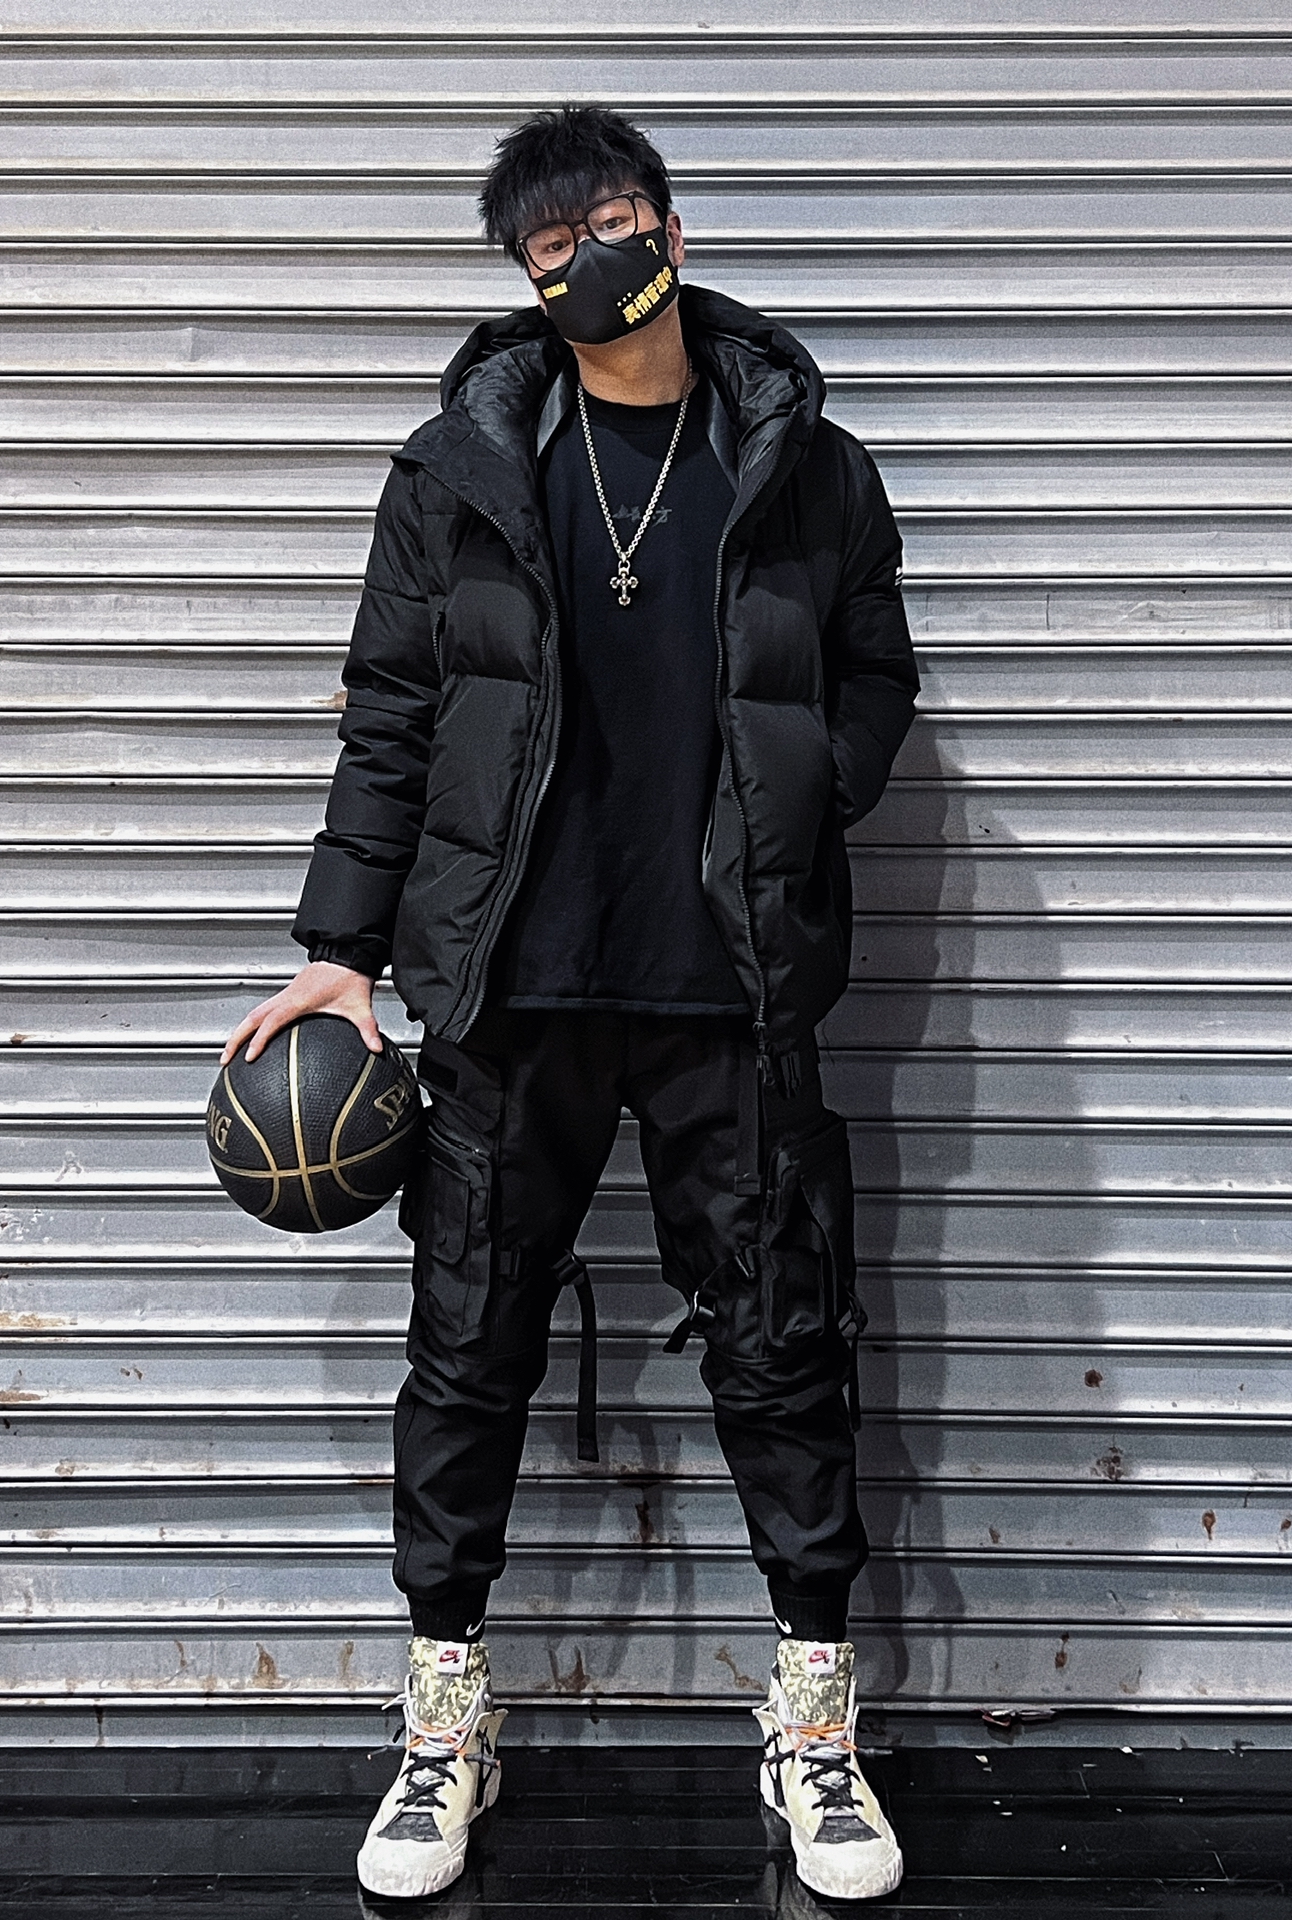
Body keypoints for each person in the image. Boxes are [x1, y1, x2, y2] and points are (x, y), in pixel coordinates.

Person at [221, 105, 919, 1904]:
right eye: (553, 246)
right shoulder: (458, 470)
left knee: (784, 1349)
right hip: (504, 990)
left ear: (670, 228)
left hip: (728, 985)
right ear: (526, 278)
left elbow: (875, 675)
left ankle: (815, 1721)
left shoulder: (805, 463)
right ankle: (445, 1719)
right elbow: (392, 714)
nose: (592, 261)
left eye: (613, 223)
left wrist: (807, 788)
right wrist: (340, 945)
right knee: (466, 1354)